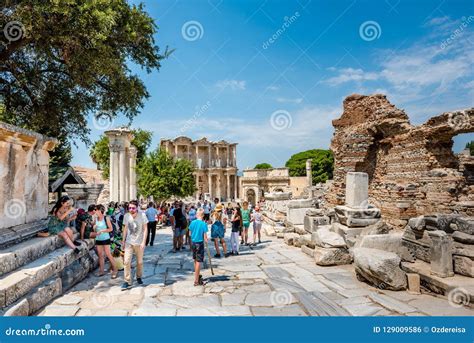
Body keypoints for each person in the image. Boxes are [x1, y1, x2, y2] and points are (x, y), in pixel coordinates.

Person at [121, 200, 148, 290]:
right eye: (129, 208)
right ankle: (127, 281)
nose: (131, 209)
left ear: (137, 208)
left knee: (139, 262)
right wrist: (123, 241)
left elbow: (145, 229)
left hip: (139, 243)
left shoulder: (142, 215)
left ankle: (139, 277)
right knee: (126, 261)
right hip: (129, 242)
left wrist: (144, 242)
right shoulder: (126, 216)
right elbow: (125, 229)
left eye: (133, 208)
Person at [93, 204, 118, 278]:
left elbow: (111, 229)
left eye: (96, 210)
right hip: (98, 239)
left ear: (100, 210)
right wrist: (94, 228)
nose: (95, 211)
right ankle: (101, 271)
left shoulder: (106, 218)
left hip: (105, 239)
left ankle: (115, 270)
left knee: (108, 254)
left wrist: (102, 231)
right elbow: (95, 229)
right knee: (100, 255)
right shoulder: (96, 219)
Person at [188, 208, 208, 286]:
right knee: (199, 261)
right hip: (200, 243)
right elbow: (205, 237)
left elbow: (189, 234)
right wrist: (206, 240)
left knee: (195, 260)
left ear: (196, 215)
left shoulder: (192, 222)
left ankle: (197, 275)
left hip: (193, 243)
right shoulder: (203, 224)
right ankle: (196, 281)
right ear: (203, 216)